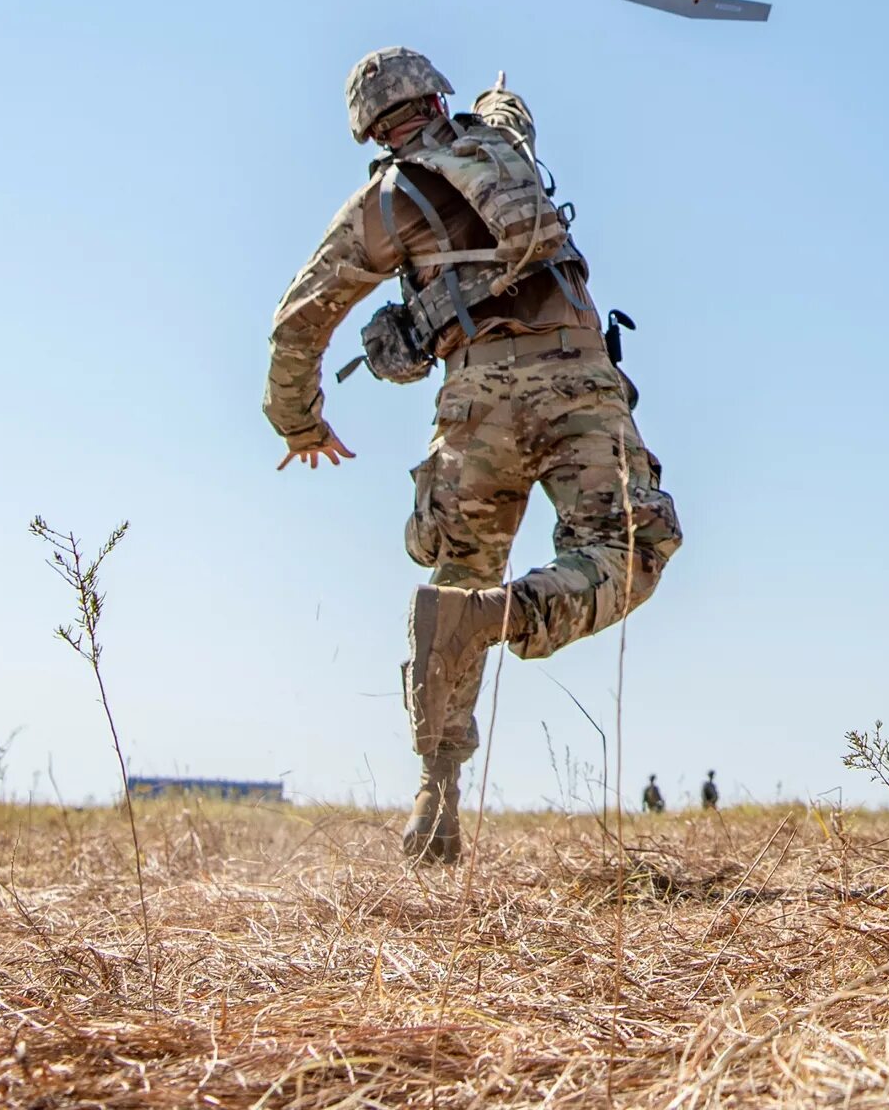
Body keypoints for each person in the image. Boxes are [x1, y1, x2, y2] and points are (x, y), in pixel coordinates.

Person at [264, 48, 685, 864]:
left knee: (453, 581)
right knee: (633, 549)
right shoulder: (508, 149)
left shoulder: (386, 201)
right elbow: (509, 113)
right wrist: (501, 94)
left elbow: (298, 320)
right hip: (579, 382)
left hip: (476, 400)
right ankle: (504, 618)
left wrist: (300, 422)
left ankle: (437, 795)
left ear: (371, 129)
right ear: (436, 95)